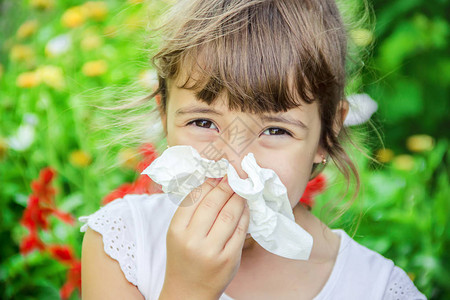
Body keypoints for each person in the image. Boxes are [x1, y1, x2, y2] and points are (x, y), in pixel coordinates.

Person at [80, 0, 427, 299]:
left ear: (326, 135)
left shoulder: (375, 288)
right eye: (204, 123)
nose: (234, 163)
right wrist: (188, 289)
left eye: (275, 130)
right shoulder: (123, 243)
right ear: (164, 114)